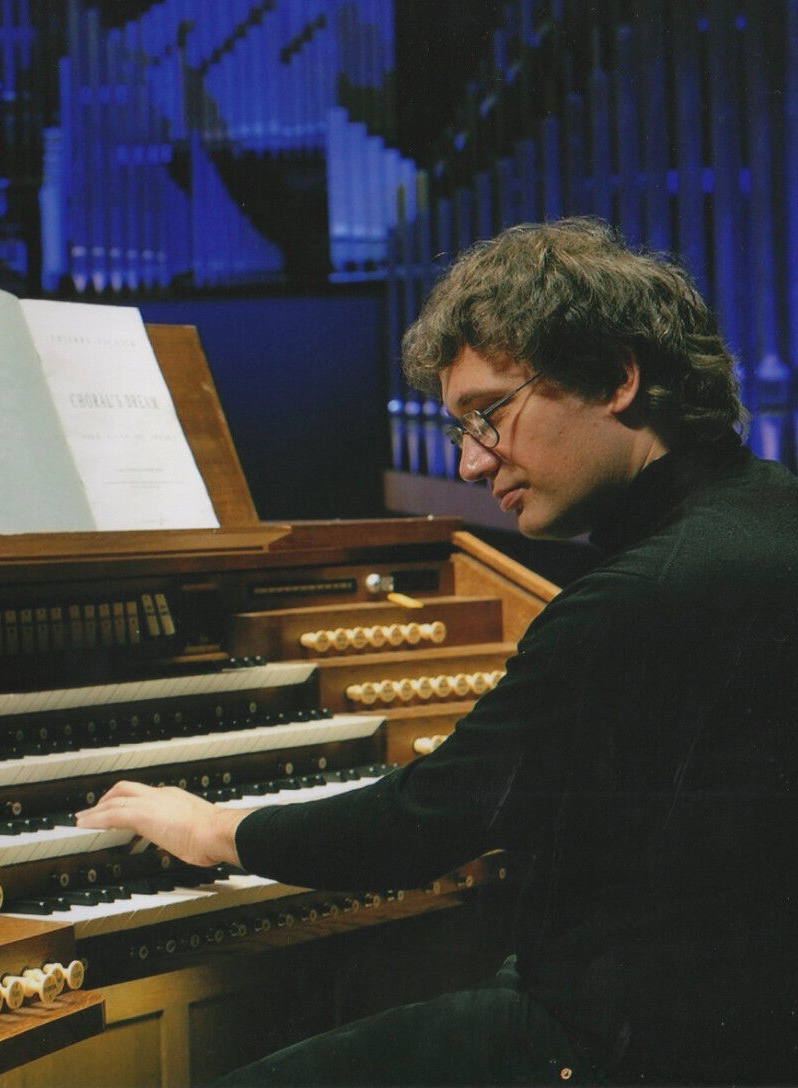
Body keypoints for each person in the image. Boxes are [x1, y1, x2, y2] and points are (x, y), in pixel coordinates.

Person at [77, 218, 798, 1084]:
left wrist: (211, 826)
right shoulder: (771, 513)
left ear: (615, 378)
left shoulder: (635, 599)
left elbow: (414, 828)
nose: (467, 464)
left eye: (486, 415)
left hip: (618, 1045)